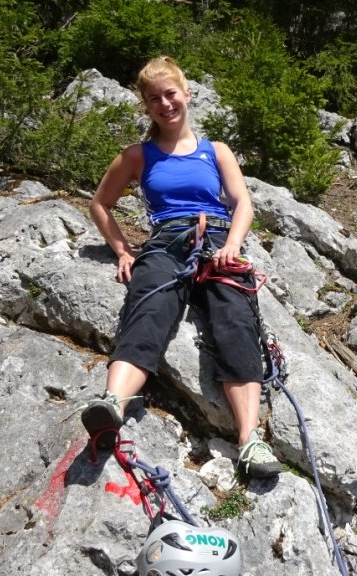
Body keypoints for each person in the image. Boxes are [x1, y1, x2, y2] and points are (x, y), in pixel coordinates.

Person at [83, 56, 280, 479]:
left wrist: (232, 245)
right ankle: (112, 405)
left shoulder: (216, 151)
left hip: (217, 241)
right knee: (149, 308)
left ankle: (249, 439)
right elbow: (100, 204)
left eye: (170, 94)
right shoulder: (137, 155)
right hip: (166, 242)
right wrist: (122, 250)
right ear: (146, 106)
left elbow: (242, 203)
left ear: (187, 94)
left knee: (235, 319)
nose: (165, 104)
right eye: (154, 98)